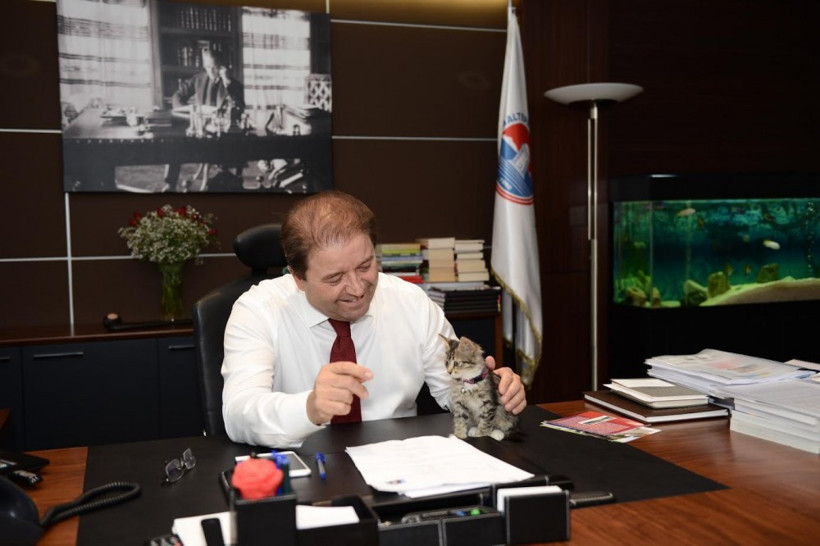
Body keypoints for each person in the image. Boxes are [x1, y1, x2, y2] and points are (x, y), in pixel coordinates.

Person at [221, 191, 527, 447]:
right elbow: (239, 413)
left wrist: (488, 387)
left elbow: (450, 390)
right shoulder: (258, 310)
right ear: (298, 278)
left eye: (365, 266)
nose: (356, 289)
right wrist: (310, 407)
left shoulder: (411, 302)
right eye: (335, 278)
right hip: (304, 465)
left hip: (398, 464)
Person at [172, 48, 245, 112]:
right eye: (208, 67)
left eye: (214, 67)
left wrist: (227, 82)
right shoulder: (198, 79)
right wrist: (189, 112)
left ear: (221, 66)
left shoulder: (230, 82)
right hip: (202, 123)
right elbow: (177, 96)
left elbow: (241, 103)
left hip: (221, 124)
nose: (210, 71)